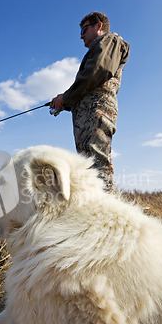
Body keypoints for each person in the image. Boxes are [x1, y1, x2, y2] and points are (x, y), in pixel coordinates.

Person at [51, 12, 130, 191]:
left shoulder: (111, 41)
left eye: (84, 29)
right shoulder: (98, 48)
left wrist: (66, 96)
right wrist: (65, 102)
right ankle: (94, 213)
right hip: (87, 118)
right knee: (88, 168)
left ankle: (107, 215)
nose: (81, 35)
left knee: (97, 166)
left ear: (99, 26)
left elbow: (98, 71)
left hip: (97, 114)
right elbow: (89, 84)